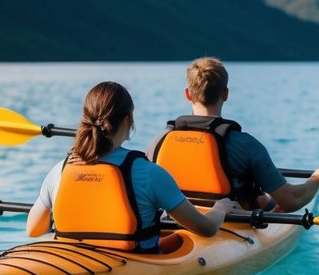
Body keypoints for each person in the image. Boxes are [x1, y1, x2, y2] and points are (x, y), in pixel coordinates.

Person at [26, 80, 231, 251]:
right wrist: (221, 207)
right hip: (133, 264)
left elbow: (34, 230)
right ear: (128, 119)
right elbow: (206, 229)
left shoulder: (61, 169)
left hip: (72, 260)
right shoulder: (149, 173)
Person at [150, 57, 319, 212]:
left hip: (176, 221)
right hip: (232, 224)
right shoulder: (245, 145)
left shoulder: (161, 140)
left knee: (263, 199)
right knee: (266, 199)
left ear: (188, 94)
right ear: (226, 94)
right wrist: (316, 180)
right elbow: (290, 201)